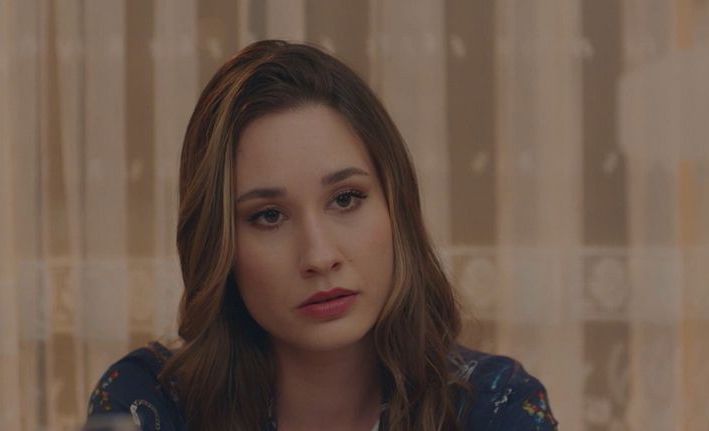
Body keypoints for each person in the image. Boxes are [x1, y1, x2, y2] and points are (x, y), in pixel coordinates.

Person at [84, 40, 558, 431]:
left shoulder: (496, 407)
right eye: (269, 216)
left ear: (397, 207)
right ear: (218, 245)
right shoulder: (146, 403)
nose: (319, 255)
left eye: (346, 199)